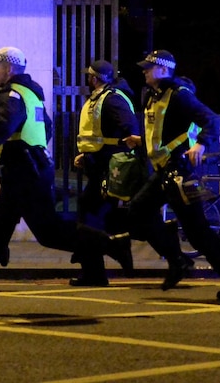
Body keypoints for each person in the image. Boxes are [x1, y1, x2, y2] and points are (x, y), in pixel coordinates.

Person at [0, 47, 128, 311]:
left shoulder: (13, 95)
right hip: (29, 169)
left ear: (9, 68)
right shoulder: (31, 94)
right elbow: (47, 129)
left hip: (24, 172)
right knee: (34, 233)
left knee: (3, 233)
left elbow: (3, 127)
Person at [124, 49, 220, 300]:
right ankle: (178, 259)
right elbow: (165, 133)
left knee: (198, 232)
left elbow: (212, 119)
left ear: (163, 70)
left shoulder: (179, 95)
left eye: (148, 68)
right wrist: (141, 141)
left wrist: (201, 143)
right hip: (165, 172)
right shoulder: (154, 95)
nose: (144, 71)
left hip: (180, 172)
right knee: (137, 212)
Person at [71, 60, 139, 286]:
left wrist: (101, 157)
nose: (87, 80)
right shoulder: (102, 98)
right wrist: (88, 156)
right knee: (97, 217)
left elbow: (130, 133)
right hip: (100, 165)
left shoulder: (112, 100)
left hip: (109, 168)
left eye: (89, 76)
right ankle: (98, 268)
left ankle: (104, 261)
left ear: (94, 78)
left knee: (89, 215)